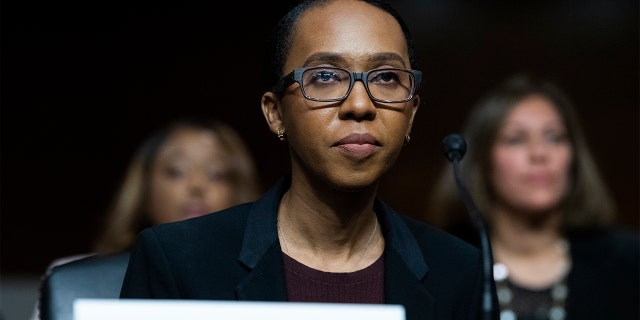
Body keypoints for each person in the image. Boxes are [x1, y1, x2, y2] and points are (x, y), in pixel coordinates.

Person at [120, 1, 499, 320]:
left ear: (411, 114)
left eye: (385, 77)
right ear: (275, 113)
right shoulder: (178, 259)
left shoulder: (462, 271)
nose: (360, 105)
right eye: (325, 76)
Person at [427, 74, 639, 320]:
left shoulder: (629, 263)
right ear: (482, 162)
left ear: (574, 157)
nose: (539, 154)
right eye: (516, 139)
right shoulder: (445, 265)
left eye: (554, 137)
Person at [32, 116, 261, 320]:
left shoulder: (265, 278)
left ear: (238, 189)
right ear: (144, 187)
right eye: (177, 171)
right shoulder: (73, 278)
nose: (197, 185)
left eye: (216, 174)